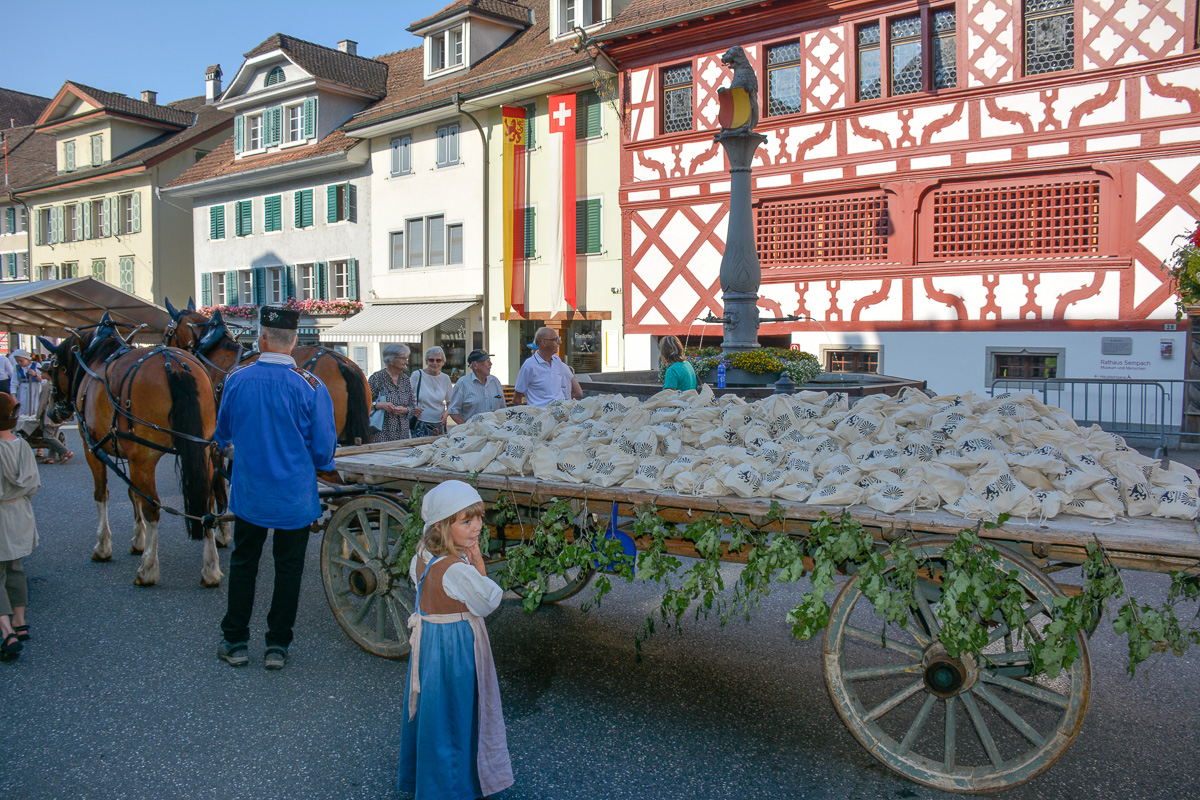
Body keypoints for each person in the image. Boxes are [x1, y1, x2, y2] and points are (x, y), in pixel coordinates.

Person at [214, 306, 337, 670]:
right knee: (288, 570)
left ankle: (235, 641)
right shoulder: (312, 386)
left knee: (243, 563)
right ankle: (277, 647)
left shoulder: (237, 379)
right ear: (294, 341)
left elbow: (223, 434)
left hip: (251, 493)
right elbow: (323, 452)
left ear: (261, 338)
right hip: (295, 496)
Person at [398, 479, 512, 800]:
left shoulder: (423, 554)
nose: (477, 527)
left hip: (432, 642)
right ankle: (451, 788)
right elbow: (489, 600)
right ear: (442, 526)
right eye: (466, 521)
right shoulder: (456, 570)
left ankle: (429, 780)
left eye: (478, 518)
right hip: (454, 647)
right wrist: (477, 561)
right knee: (455, 717)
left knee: (434, 713)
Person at [0, 392, 39, 663]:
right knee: (16, 567)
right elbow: (34, 484)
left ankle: (6, 632)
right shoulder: (22, 445)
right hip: (19, 511)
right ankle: (20, 621)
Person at [512, 327, 584, 408]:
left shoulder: (557, 361)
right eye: (556, 340)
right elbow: (516, 400)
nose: (560, 342)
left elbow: (562, 392)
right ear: (544, 342)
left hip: (560, 414)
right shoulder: (529, 365)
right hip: (541, 416)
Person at [368, 344, 417, 444]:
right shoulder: (376, 378)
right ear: (390, 360)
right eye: (403, 358)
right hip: (381, 435)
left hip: (403, 436)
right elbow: (363, 404)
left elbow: (412, 406)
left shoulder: (405, 379)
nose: (406, 361)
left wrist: (405, 410)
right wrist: (378, 405)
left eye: (407, 358)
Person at [447, 349, 506, 424]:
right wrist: (466, 427)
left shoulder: (495, 381)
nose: (490, 364)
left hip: (495, 431)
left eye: (490, 361)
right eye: (487, 361)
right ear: (475, 365)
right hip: (474, 433)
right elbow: (453, 410)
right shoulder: (462, 384)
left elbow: (503, 409)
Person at [410, 346, 452, 438]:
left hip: (439, 424)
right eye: (431, 360)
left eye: (438, 360)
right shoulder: (417, 375)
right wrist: (413, 408)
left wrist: (446, 413)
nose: (435, 363)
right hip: (420, 422)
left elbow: (450, 403)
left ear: (443, 362)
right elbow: (405, 397)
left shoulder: (445, 378)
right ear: (426, 361)